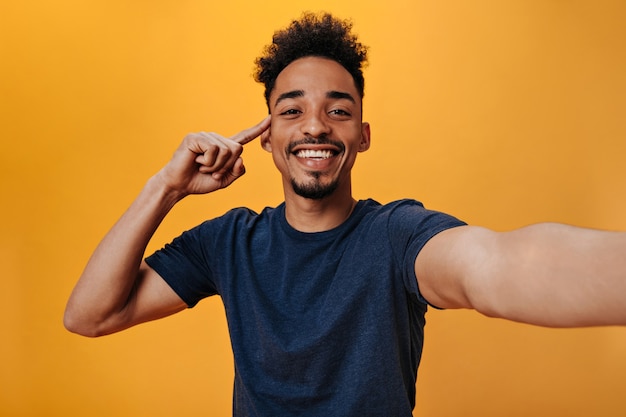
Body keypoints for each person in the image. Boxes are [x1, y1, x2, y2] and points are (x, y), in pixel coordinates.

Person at [64, 11, 626, 416]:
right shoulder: (228, 243)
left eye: (338, 110)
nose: (315, 126)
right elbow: (90, 316)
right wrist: (166, 186)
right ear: (266, 138)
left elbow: (501, 266)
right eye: (292, 110)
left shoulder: (398, 236)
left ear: (362, 136)